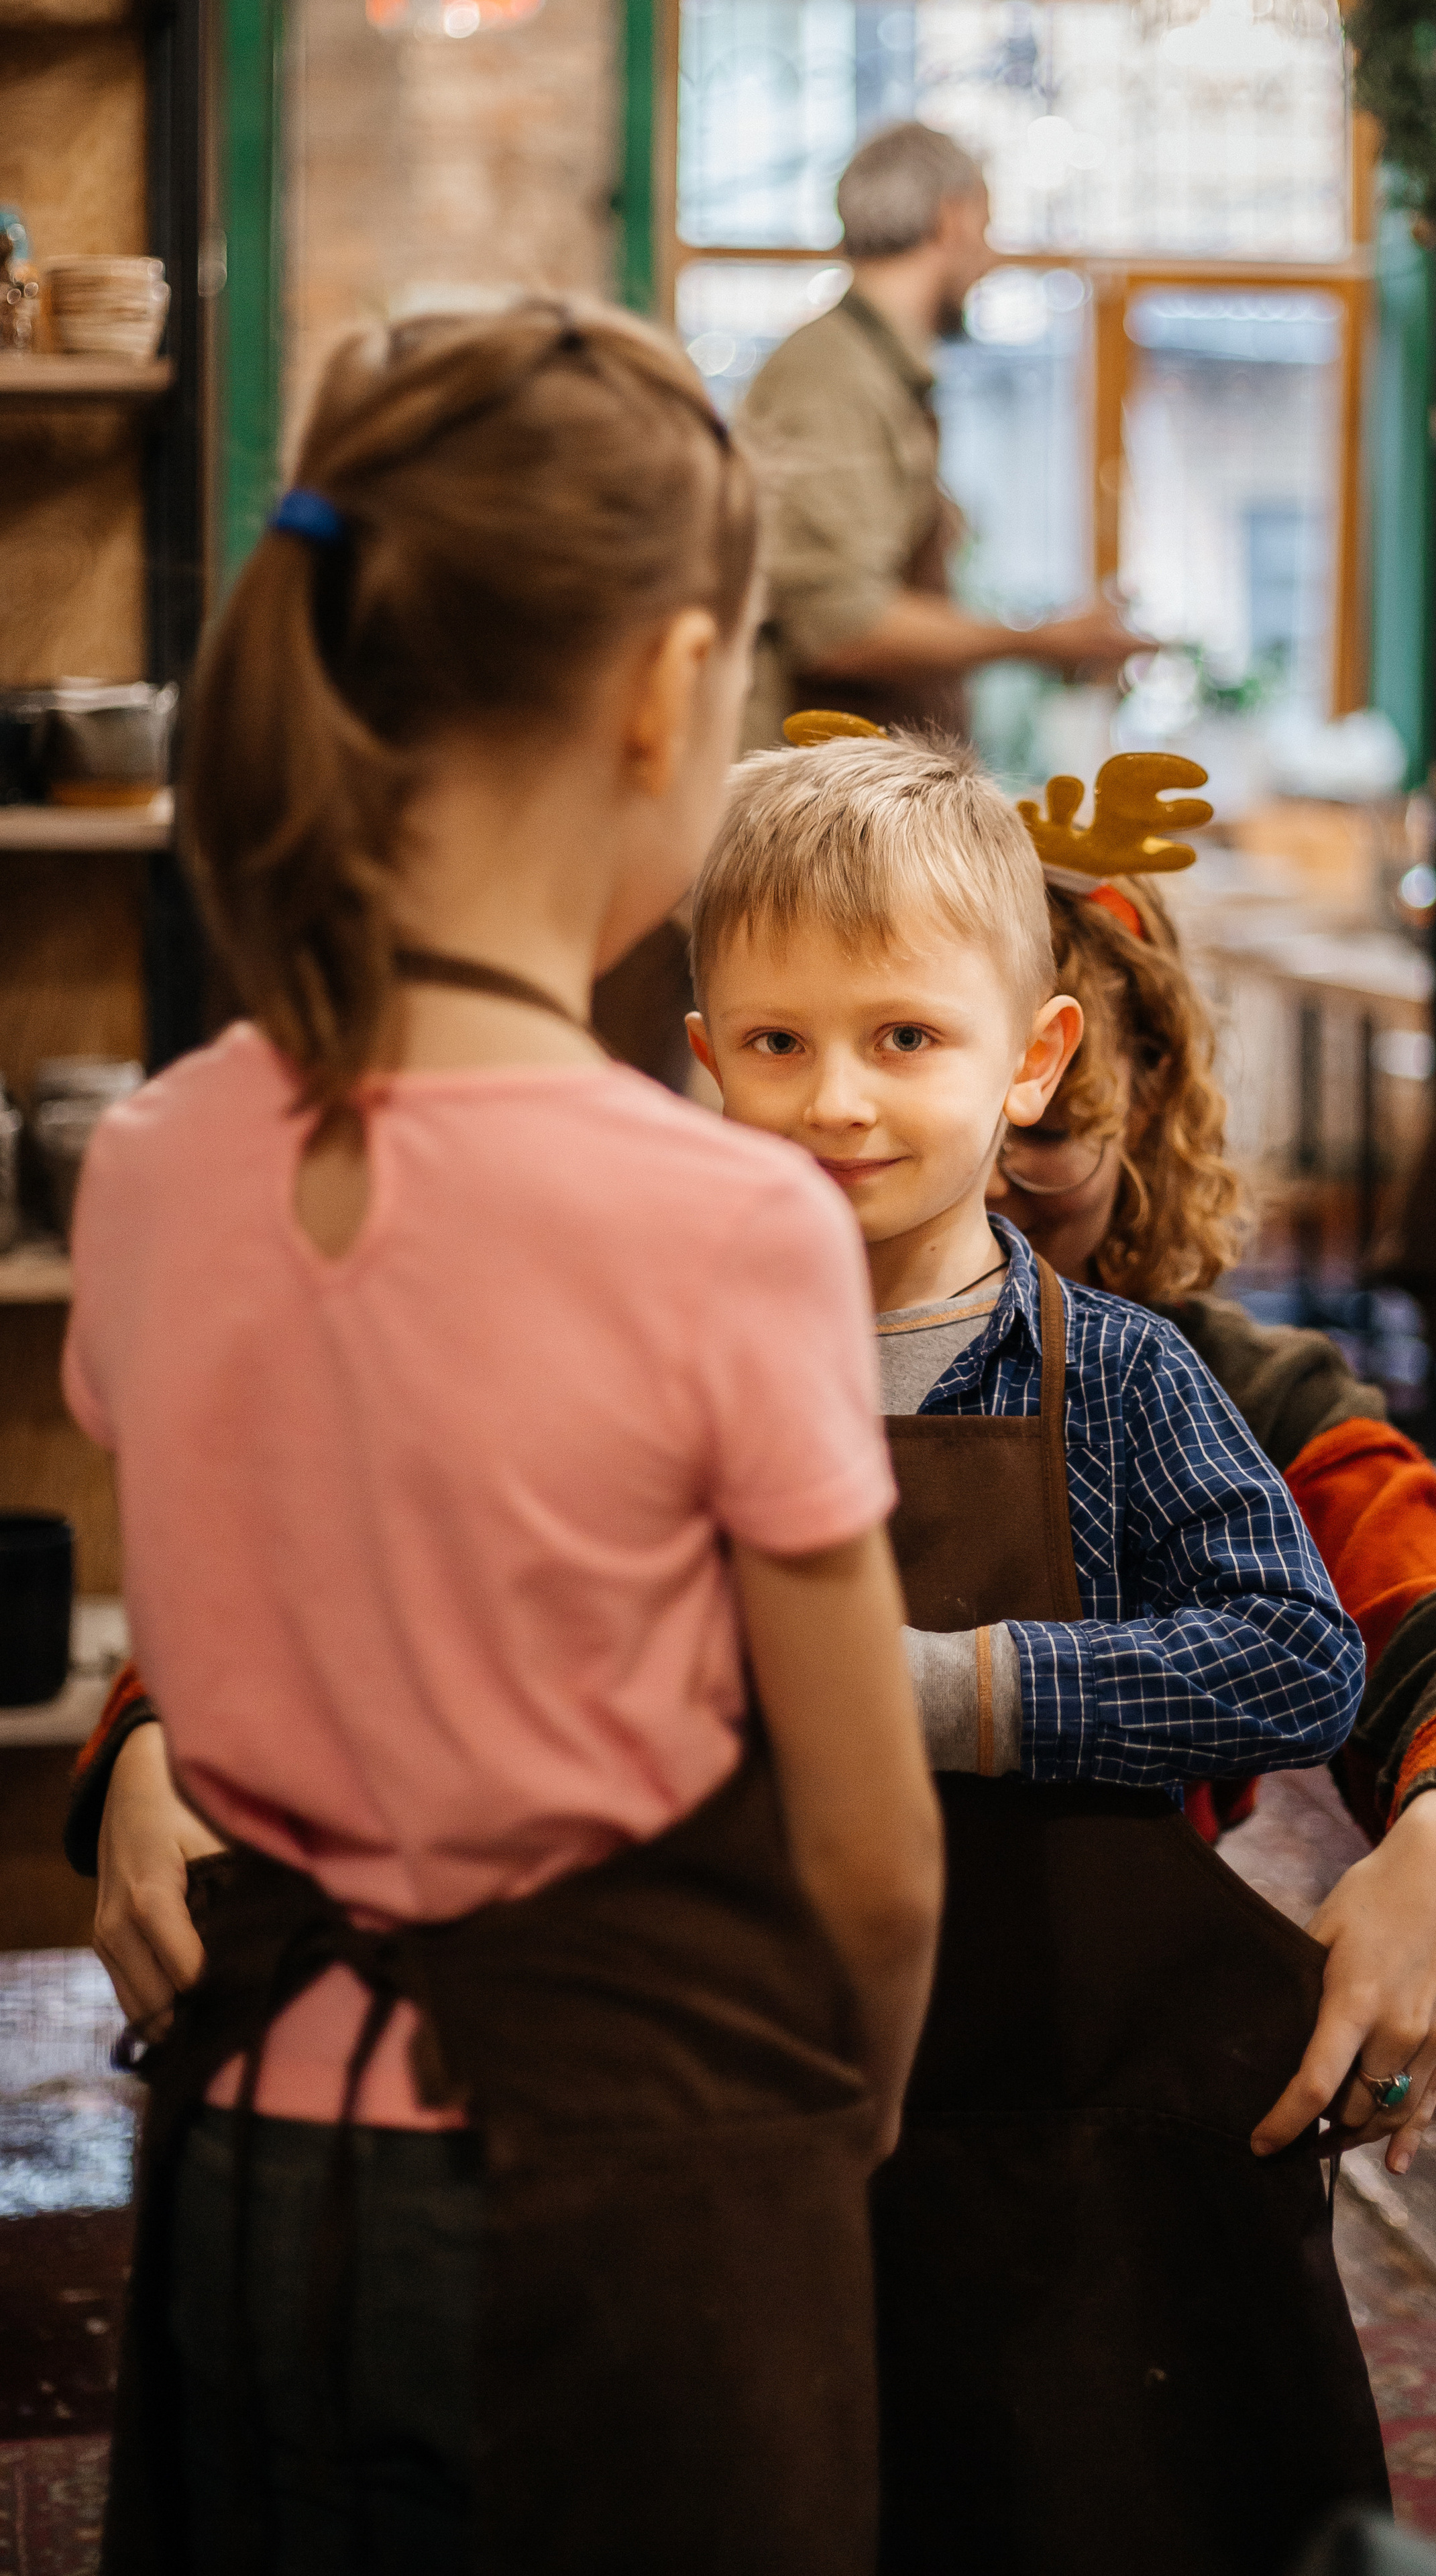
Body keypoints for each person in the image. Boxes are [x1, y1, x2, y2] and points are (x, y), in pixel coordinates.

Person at [63, 305, 942, 2576]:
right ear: (671, 688)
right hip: (615, 2173)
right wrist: (839, 2131)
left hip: (248, 2154)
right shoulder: (726, 1220)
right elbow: (872, 1860)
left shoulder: (147, 1163)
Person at [684, 729, 1388, 2575]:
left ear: (1031, 1057)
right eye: (777, 1041)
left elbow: (1296, 1659)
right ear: (702, 1061)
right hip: (740, 2101)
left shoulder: (1123, 1378)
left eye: (905, 1036)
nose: (837, 1098)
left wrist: (941, 1693)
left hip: (1070, 2142)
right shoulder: (662, 1369)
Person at [987, 859, 1436, 2176]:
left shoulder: (1239, 1390)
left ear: (1143, 1096)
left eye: (1044, 1124)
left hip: (1108, 2065)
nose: (972, 1183)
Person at [737, 119, 1140, 748]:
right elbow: (840, 628)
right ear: (953, 220)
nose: (992, 258)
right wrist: (1037, 641)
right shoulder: (832, 379)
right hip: (816, 783)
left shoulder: (876, 369)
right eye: (988, 227)